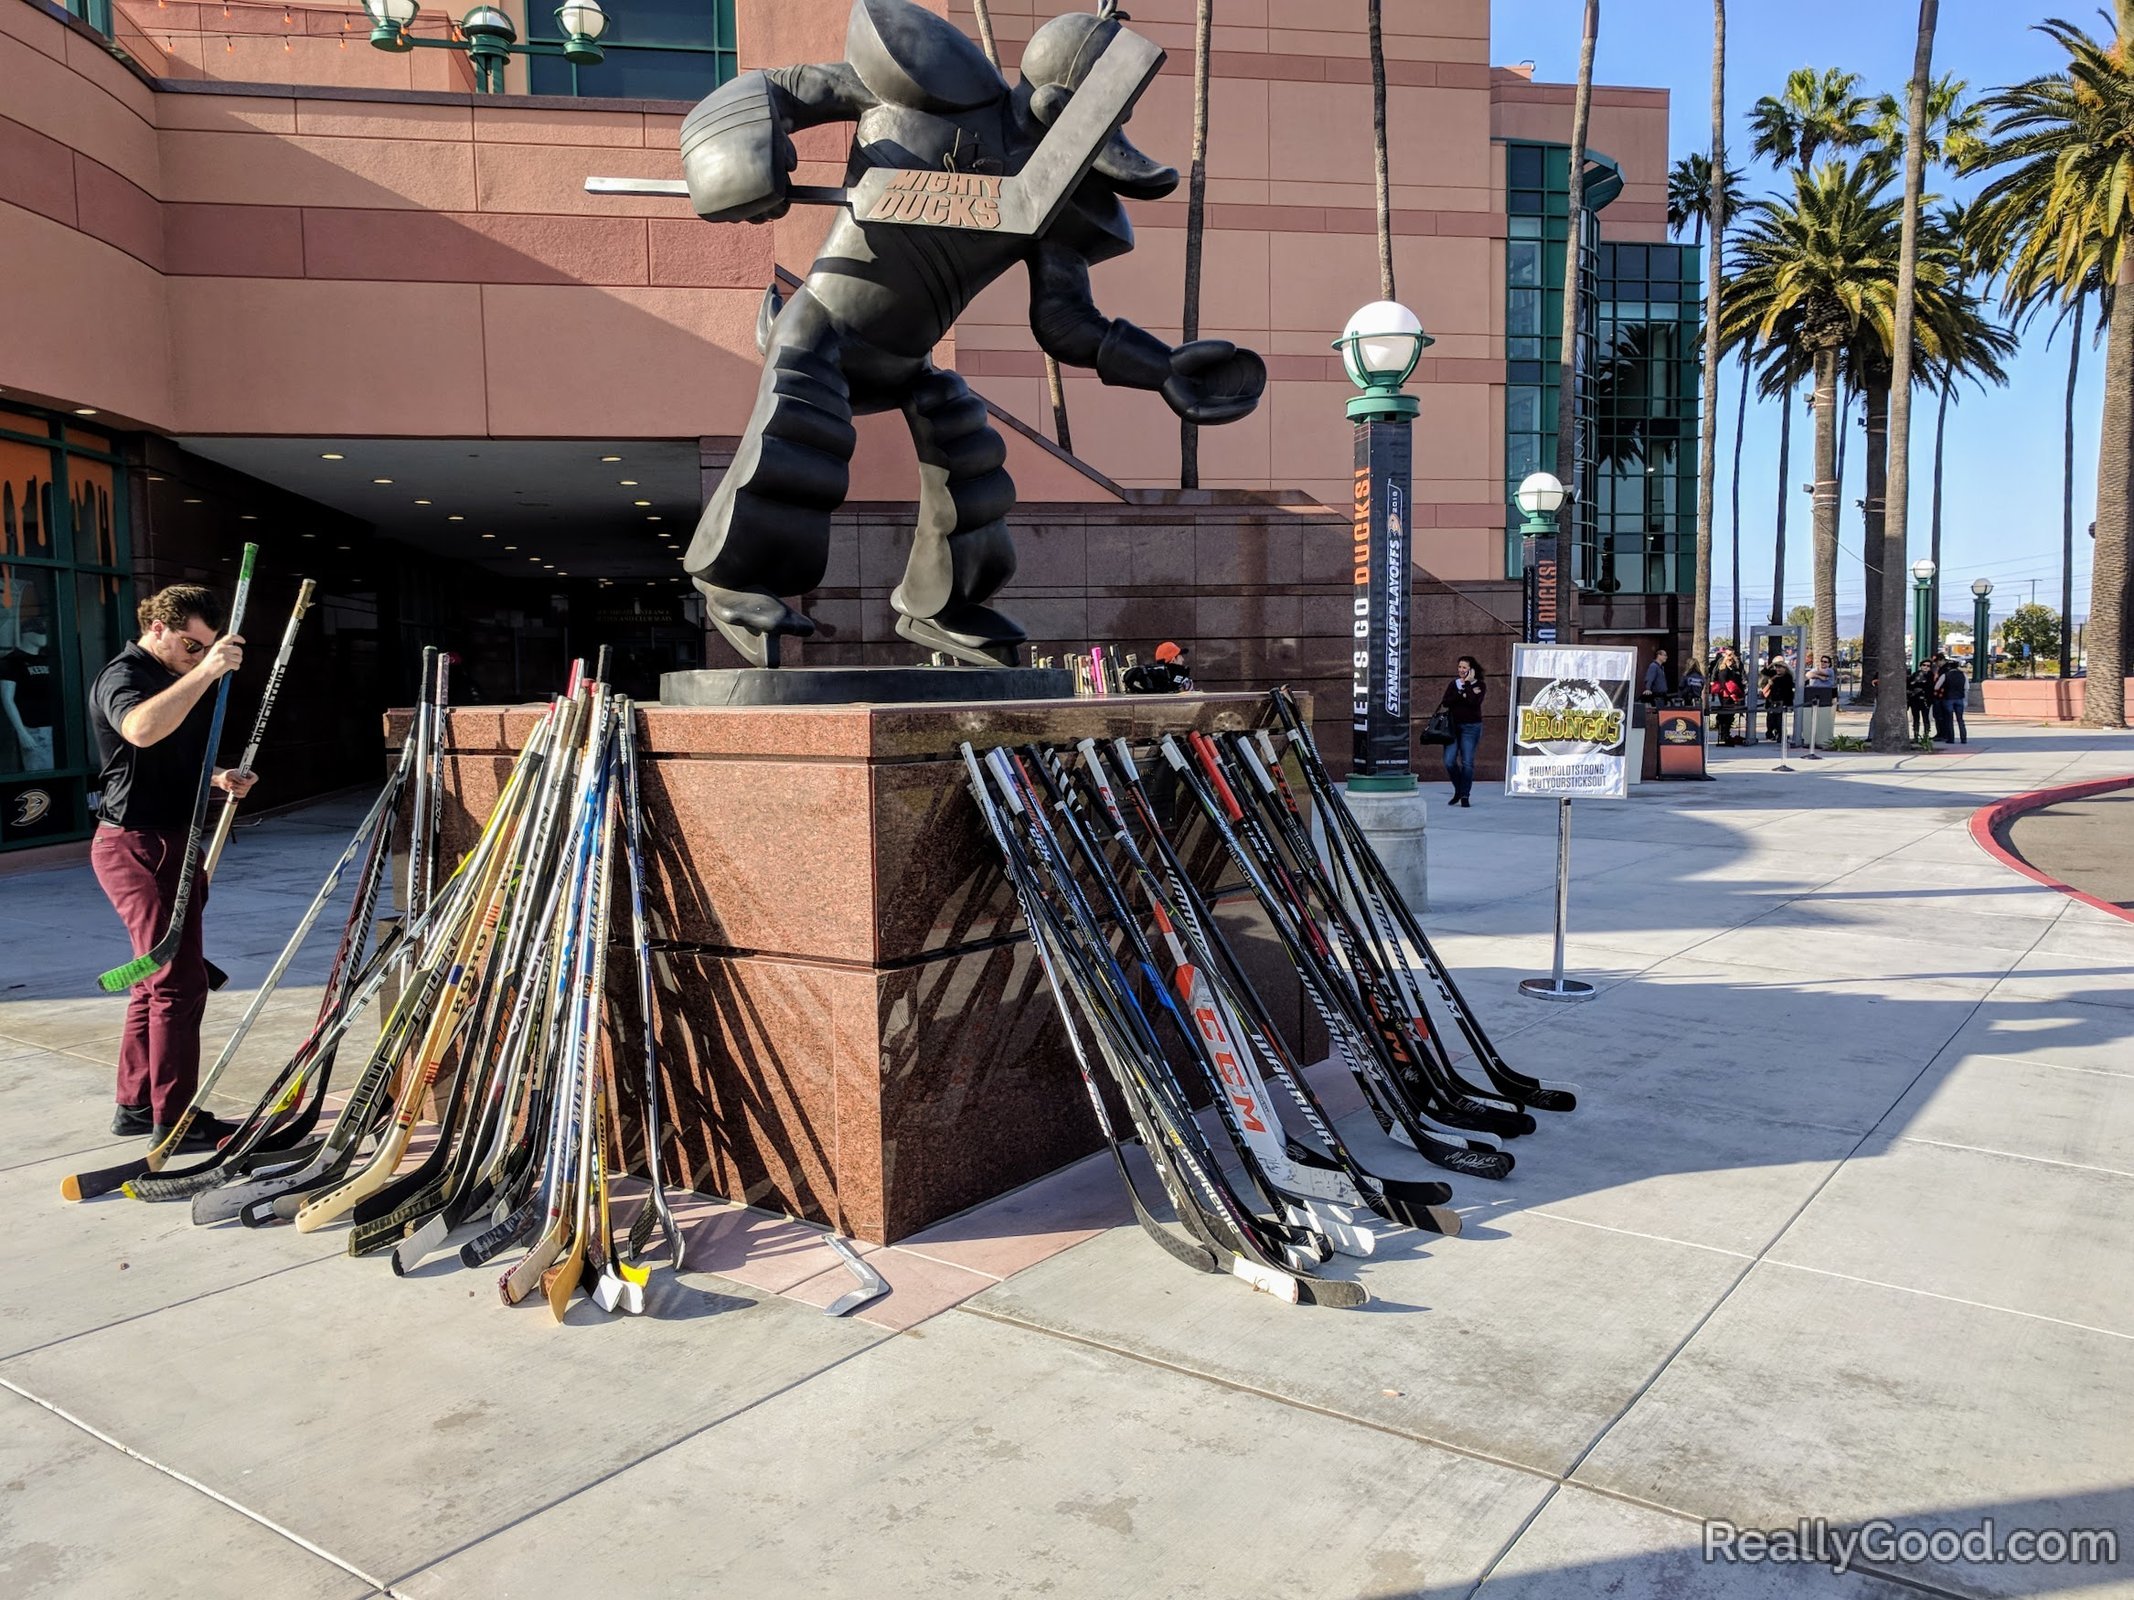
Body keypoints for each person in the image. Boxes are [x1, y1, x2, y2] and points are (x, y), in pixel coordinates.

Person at [88, 584, 257, 1148]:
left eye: (203, 647)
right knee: (178, 982)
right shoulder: (125, 675)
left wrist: (215, 779)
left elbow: (154, 760)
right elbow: (137, 729)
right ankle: (176, 1118)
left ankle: (138, 1104)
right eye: (189, 643)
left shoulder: (169, 678)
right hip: (137, 846)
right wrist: (206, 671)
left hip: (169, 839)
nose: (195, 654)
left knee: (152, 981)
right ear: (157, 627)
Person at [1437, 655, 1486, 807]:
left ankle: (1465, 795)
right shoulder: (1454, 684)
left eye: (1464, 668)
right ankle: (1459, 789)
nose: (1461, 670)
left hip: (1471, 727)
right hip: (1452, 727)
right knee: (1449, 761)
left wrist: (1468, 685)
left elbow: (1473, 702)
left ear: (1471, 670)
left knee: (1467, 762)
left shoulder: (1480, 685)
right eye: (1459, 667)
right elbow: (1446, 701)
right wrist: (1462, 693)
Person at [1123, 640, 1193, 693]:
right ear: (1173, 659)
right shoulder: (1178, 674)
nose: (1183, 660)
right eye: (1180, 656)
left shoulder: (1154, 675)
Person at [1709, 648, 1745, 746]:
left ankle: (1726, 733)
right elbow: (1723, 683)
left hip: (1729, 694)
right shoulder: (1723, 670)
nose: (1731, 662)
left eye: (1732, 660)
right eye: (1729, 660)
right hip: (1726, 695)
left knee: (1729, 715)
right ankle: (1724, 734)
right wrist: (1731, 695)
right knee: (1726, 715)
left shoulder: (1732, 669)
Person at [1934, 653, 1968, 743]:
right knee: (1960, 719)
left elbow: (1936, 687)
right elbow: (1967, 687)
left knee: (1949, 719)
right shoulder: (1963, 675)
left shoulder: (1945, 675)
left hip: (1948, 698)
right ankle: (1963, 738)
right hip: (1959, 698)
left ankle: (1951, 738)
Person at [1762, 653, 1795, 743]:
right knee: (1770, 720)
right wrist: (1772, 665)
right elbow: (1764, 672)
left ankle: (1780, 734)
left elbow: (1788, 692)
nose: (1778, 669)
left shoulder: (1788, 677)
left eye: (1780, 667)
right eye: (1776, 667)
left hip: (1782, 701)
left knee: (1779, 721)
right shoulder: (1772, 675)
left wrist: (1789, 704)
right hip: (1771, 701)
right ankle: (1770, 733)